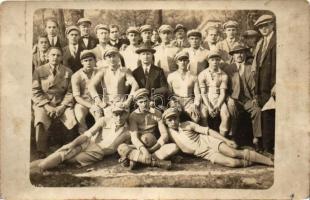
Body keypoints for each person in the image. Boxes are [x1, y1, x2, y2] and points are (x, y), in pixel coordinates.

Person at [30, 102, 131, 174]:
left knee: (69, 159)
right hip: (88, 142)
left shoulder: (128, 131)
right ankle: (38, 168)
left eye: (122, 114)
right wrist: (72, 144)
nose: (119, 117)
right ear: (112, 114)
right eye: (116, 114)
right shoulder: (104, 120)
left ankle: (36, 167)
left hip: (98, 152)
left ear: (127, 114)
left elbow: (114, 148)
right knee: (65, 152)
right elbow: (87, 135)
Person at [162, 108, 273, 168]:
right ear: (166, 122)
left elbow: (208, 131)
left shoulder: (187, 124)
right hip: (204, 153)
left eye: (174, 118)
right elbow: (172, 147)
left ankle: (268, 161)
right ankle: (253, 159)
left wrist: (226, 140)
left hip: (209, 141)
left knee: (233, 153)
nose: (173, 122)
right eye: (169, 120)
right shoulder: (169, 133)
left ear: (178, 118)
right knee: (233, 163)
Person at [117, 89, 179, 170]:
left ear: (149, 100)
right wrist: (144, 150)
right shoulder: (133, 116)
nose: (144, 104)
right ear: (136, 103)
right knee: (121, 148)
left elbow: (164, 135)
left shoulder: (157, 113)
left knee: (174, 147)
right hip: (140, 147)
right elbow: (134, 137)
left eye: (146, 101)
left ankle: (138, 160)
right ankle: (156, 163)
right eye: (141, 102)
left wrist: (151, 150)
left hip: (155, 147)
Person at [32, 47, 77, 158]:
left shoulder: (68, 71)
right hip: (44, 103)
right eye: (53, 55)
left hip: (61, 103)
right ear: (47, 56)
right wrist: (47, 106)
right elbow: (35, 91)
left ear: (62, 57)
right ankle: (41, 151)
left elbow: (70, 92)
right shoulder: (39, 70)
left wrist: (62, 106)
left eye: (58, 55)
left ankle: (67, 150)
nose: (55, 58)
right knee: (40, 119)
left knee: (70, 118)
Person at [222, 44, 262, 149]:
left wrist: (255, 98)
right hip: (234, 99)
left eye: (241, 53)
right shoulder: (228, 69)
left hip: (248, 99)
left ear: (245, 54)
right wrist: (228, 98)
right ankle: (233, 137)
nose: (239, 55)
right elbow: (223, 87)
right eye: (236, 53)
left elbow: (256, 85)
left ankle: (257, 139)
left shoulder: (251, 68)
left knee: (257, 110)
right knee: (231, 107)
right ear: (233, 56)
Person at [88, 47, 139, 117]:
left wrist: (128, 101)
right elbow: (91, 86)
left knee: (121, 122)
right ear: (105, 59)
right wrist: (99, 101)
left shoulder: (125, 70)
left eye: (114, 56)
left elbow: (135, 85)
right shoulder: (103, 71)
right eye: (109, 57)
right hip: (107, 104)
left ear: (118, 57)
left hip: (122, 103)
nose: (112, 59)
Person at [252, 14, 276, 154]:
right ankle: (266, 147)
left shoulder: (277, 40)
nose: (264, 29)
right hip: (262, 86)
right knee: (265, 114)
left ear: (272, 25)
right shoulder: (261, 43)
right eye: (261, 27)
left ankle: (269, 148)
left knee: (270, 115)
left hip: (273, 85)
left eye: (266, 25)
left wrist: (277, 84)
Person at [167, 51, 208, 125]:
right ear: (177, 62)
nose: (183, 62)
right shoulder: (171, 76)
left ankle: (200, 134)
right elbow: (169, 94)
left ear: (188, 61)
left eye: (185, 60)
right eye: (181, 60)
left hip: (189, 101)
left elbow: (197, 94)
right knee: (174, 118)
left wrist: (195, 105)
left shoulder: (193, 76)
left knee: (196, 118)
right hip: (176, 101)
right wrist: (173, 103)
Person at [198, 50, 230, 136]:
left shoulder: (224, 75)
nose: (215, 62)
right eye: (212, 60)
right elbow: (203, 93)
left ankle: (222, 138)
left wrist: (217, 106)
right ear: (208, 61)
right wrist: (209, 107)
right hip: (206, 99)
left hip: (218, 99)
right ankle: (207, 140)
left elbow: (222, 93)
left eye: (217, 59)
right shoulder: (202, 74)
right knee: (204, 115)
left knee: (226, 115)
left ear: (219, 61)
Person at [71, 50, 103, 134]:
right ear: (82, 62)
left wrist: (98, 103)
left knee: (99, 115)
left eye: (90, 60)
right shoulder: (76, 76)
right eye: (85, 61)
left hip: (98, 101)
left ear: (95, 61)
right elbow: (77, 97)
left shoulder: (100, 72)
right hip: (83, 102)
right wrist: (90, 106)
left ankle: (99, 138)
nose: (88, 63)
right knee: (79, 114)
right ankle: (83, 138)